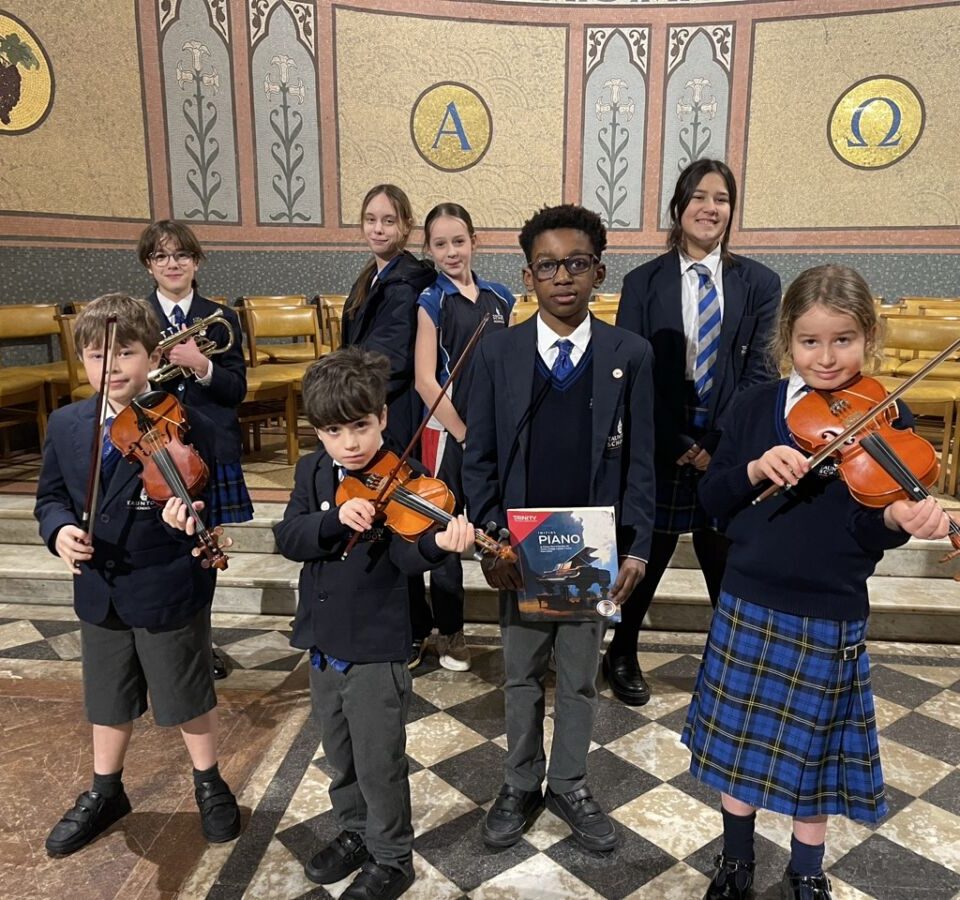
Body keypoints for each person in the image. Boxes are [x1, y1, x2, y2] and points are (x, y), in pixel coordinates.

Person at [686, 264, 956, 900]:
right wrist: (754, 468)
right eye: (810, 341)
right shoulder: (754, 406)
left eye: (844, 340)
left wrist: (897, 518)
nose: (827, 358)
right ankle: (736, 860)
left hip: (830, 606)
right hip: (749, 598)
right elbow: (712, 501)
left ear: (869, 339)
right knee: (738, 755)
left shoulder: (887, 414)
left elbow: (868, 530)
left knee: (816, 764)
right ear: (787, 339)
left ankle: (806, 871)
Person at [463, 204, 655, 853]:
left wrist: (638, 547)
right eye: (547, 266)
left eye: (576, 263)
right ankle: (520, 782)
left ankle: (569, 782)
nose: (562, 276)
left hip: (590, 543)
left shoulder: (630, 353)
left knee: (577, 676)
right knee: (521, 674)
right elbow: (479, 456)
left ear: (599, 272)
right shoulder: (499, 352)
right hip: (520, 545)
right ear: (528, 276)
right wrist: (491, 537)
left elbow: (642, 461)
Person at [35, 294, 242, 857]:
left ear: (153, 356)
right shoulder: (68, 424)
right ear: (83, 360)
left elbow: (208, 500)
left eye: (126, 353)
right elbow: (50, 498)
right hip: (99, 586)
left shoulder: (186, 421)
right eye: (97, 355)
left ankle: (209, 782)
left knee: (187, 692)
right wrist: (59, 531)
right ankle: (106, 791)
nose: (112, 367)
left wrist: (187, 520)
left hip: (166, 581)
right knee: (107, 696)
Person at [272, 347, 475, 900]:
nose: (351, 443)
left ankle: (392, 857)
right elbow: (288, 536)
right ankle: (355, 832)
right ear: (319, 432)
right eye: (334, 431)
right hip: (322, 641)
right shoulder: (313, 471)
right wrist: (333, 519)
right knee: (339, 756)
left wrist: (438, 544)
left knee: (378, 760)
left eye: (361, 426)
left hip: (376, 648)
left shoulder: (410, 480)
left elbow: (408, 558)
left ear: (383, 416)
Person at [610, 159, 781, 706]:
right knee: (648, 549)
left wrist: (717, 443)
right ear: (679, 207)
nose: (711, 208)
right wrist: (678, 443)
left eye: (722, 199)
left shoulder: (759, 282)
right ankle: (621, 650)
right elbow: (631, 373)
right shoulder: (642, 283)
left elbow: (760, 373)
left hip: (728, 438)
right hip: (662, 434)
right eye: (700, 197)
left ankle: (733, 663)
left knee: (724, 555)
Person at [138, 220, 252, 680]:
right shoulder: (137, 318)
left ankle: (201, 643)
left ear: (196, 261)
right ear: (148, 265)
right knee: (153, 550)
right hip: (149, 452)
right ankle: (158, 645)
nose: (172, 264)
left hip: (206, 451)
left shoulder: (220, 317)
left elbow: (236, 389)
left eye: (181, 254)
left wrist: (201, 364)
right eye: (161, 256)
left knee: (203, 554)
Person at [413, 202, 514, 672]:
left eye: (458, 241)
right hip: (448, 434)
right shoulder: (431, 301)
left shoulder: (501, 297)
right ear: (429, 249)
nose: (451, 251)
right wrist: (465, 435)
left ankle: (521, 625)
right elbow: (425, 381)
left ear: (475, 241)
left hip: (494, 433)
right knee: (447, 528)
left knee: (498, 525)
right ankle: (450, 631)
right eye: (440, 244)